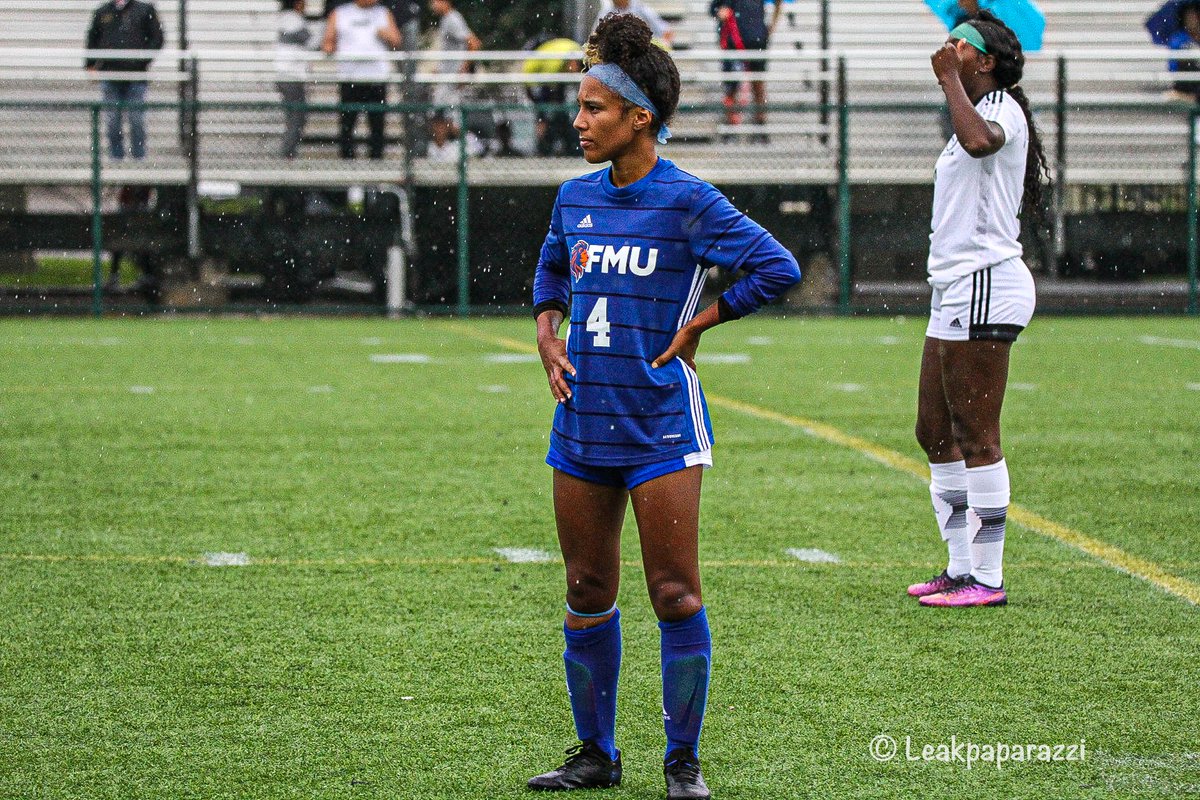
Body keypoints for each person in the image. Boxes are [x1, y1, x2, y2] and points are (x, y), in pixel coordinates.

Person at [528, 15, 800, 799]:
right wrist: (548, 333)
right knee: (586, 589)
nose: (578, 123)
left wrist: (704, 321)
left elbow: (774, 268)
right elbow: (551, 272)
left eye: (594, 109)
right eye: (578, 109)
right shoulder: (575, 199)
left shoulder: (688, 199)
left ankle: (682, 763)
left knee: (674, 592)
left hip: (660, 426)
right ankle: (595, 755)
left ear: (638, 117)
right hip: (581, 423)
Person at [908, 10, 1048, 608]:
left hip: (985, 281)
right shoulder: (975, 109)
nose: (947, 50)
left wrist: (947, 82)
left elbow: (979, 141)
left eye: (958, 46)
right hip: (955, 287)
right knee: (933, 430)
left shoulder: (997, 110)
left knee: (975, 434)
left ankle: (987, 578)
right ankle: (960, 564)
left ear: (985, 63)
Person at [85, 0, 165, 161]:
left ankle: (139, 156)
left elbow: (157, 38)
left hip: (136, 75)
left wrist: (142, 60)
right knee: (113, 120)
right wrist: (90, 64)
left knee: (136, 118)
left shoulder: (144, 10)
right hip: (111, 74)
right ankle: (116, 157)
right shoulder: (103, 12)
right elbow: (93, 38)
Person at [322, 0, 402, 160]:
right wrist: (330, 47)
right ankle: (349, 172)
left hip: (376, 79)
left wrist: (386, 35)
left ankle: (375, 171)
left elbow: (397, 40)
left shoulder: (383, 13)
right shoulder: (340, 13)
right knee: (347, 127)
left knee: (377, 127)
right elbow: (327, 42)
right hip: (350, 79)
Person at [709, 0, 780, 133]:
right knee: (731, 86)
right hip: (733, 41)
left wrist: (771, 26)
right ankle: (730, 128)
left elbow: (778, 3)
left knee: (758, 84)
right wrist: (720, 13)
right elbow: (713, 8)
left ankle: (760, 127)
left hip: (756, 40)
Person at [522, 36, 583, 157]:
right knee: (543, 113)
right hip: (537, 76)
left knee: (557, 110)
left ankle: (560, 136)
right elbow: (547, 90)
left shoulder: (576, 54)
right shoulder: (552, 66)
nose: (576, 73)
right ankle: (543, 145)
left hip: (549, 72)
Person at [276, 0, 319, 159]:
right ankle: (287, 153)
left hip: (286, 74)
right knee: (297, 116)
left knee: (295, 115)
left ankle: (288, 151)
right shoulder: (292, 19)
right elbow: (312, 42)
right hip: (290, 75)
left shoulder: (285, 18)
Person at [427, 0, 482, 110]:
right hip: (448, 77)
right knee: (443, 117)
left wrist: (463, 69)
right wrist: (440, 69)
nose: (432, 5)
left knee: (443, 118)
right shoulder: (447, 19)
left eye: (435, 1)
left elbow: (474, 43)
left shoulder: (452, 19)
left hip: (452, 78)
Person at [592, 0, 674, 45]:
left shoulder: (641, 8)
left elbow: (666, 31)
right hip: (616, 51)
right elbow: (594, 34)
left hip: (642, 51)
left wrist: (664, 45)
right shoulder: (606, 11)